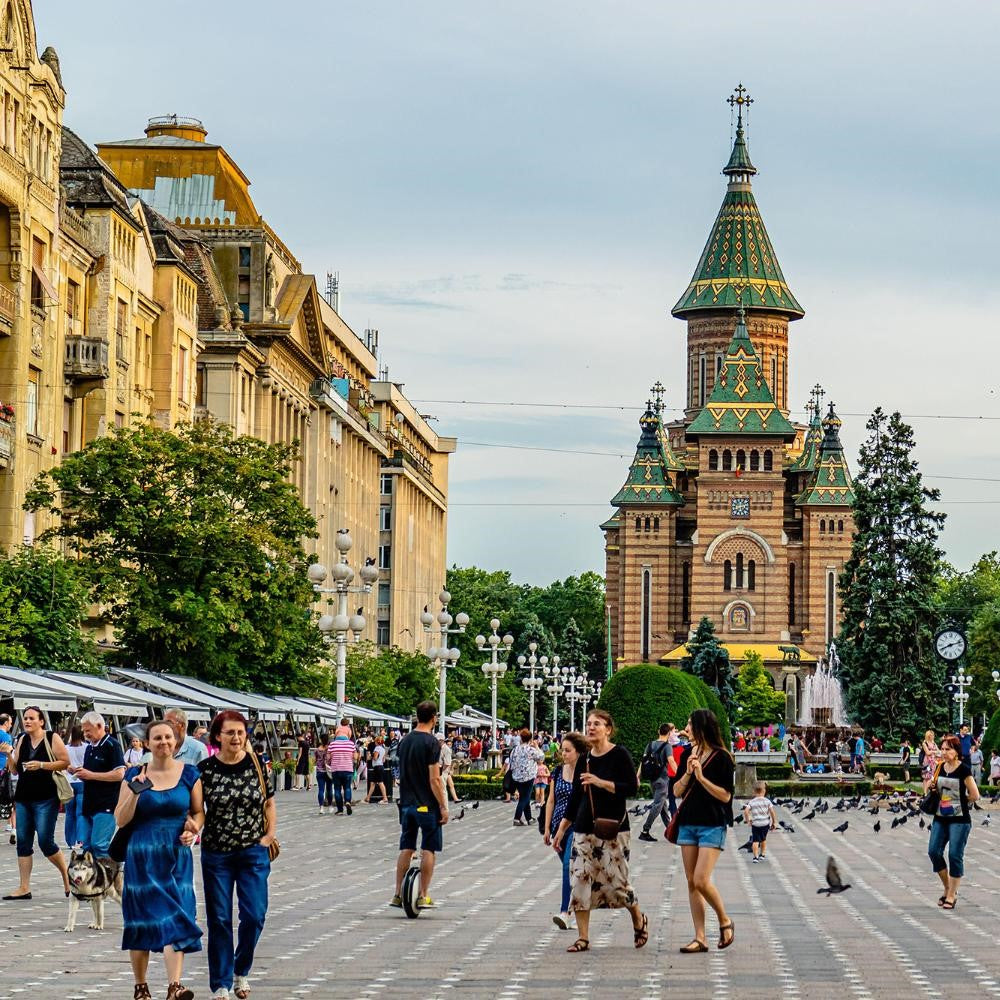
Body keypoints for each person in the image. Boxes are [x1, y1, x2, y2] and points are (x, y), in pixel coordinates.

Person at [114, 719, 203, 1000]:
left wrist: (194, 830)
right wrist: (136, 792)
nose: (163, 743)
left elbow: (198, 812)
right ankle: (141, 986)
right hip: (143, 853)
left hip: (177, 853)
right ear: (148, 744)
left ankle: (174, 986)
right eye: (157, 739)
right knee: (141, 919)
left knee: (177, 913)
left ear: (176, 742)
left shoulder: (190, 774)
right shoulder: (134, 776)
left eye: (168, 738)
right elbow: (120, 818)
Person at [553, 709, 648, 954]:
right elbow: (575, 796)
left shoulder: (619, 755)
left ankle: (638, 917)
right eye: (588, 723)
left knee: (618, 882)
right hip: (584, 828)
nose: (591, 727)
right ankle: (583, 938)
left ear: (608, 728)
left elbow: (632, 788)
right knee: (580, 881)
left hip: (613, 827)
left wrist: (601, 782)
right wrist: (562, 829)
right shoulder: (584, 758)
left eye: (597, 723)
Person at [196, 711, 277, 1000]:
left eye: (240, 732)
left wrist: (267, 837)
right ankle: (221, 983)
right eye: (229, 732)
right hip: (217, 853)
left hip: (252, 851)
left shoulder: (257, 765)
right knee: (219, 918)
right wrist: (192, 826)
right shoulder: (204, 769)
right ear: (217, 736)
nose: (236, 737)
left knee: (254, 915)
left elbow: (268, 803)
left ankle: (241, 968)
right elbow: (198, 809)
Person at [669, 708, 736, 954]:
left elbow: (725, 795)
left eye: (689, 725)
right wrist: (688, 772)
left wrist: (701, 777)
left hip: (712, 824)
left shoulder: (722, 757)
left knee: (701, 879)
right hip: (688, 822)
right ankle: (700, 937)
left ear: (701, 728)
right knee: (691, 882)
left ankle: (725, 920)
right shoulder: (687, 753)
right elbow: (676, 792)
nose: (685, 730)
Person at [4, 706, 71, 900]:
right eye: (25, 718)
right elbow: (15, 770)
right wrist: (9, 755)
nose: (27, 721)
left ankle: (67, 877)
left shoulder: (52, 738)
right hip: (24, 797)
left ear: (41, 721)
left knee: (45, 841)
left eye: (31, 718)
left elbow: (64, 761)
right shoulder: (22, 740)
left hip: (46, 797)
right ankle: (24, 887)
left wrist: (41, 765)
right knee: (23, 842)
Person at [391, 702, 447, 910]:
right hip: (426, 805)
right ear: (433, 717)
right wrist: (443, 805)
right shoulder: (432, 742)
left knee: (406, 847)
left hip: (406, 804)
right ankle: (423, 895)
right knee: (429, 848)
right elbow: (434, 779)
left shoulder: (404, 741)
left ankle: (397, 893)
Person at [927, 733, 980, 910]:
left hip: (960, 819)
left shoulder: (963, 769)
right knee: (934, 851)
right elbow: (931, 787)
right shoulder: (940, 767)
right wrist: (933, 787)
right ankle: (948, 888)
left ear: (956, 751)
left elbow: (975, 795)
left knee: (954, 855)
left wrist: (960, 801)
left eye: (947, 749)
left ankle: (950, 895)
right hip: (940, 816)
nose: (943, 752)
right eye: (942, 749)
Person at [544, 731, 587, 931]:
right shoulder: (558, 771)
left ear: (578, 752)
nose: (564, 754)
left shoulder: (584, 772)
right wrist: (547, 828)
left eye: (568, 751)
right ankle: (579, 905)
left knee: (566, 868)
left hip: (576, 825)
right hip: (557, 826)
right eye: (563, 750)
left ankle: (565, 912)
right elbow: (550, 800)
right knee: (572, 872)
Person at [74, 711, 126, 858]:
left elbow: (119, 774)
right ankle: (95, 879)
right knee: (87, 846)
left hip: (106, 804)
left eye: (88, 730)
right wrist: (81, 773)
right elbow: (91, 774)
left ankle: (110, 876)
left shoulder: (112, 745)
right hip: (89, 803)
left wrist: (90, 775)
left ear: (99, 726)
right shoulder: (89, 747)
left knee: (99, 844)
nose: (85, 734)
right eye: (84, 730)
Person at [637, 723, 674, 842]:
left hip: (652, 779)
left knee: (663, 806)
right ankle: (645, 830)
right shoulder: (667, 746)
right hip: (662, 779)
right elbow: (671, 761)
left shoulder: (650, 744)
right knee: (658, 805)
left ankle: (670, 831)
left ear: (659, 732)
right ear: (668, 733)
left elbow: (643, 762)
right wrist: (683, 774)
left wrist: (637, 777)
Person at [509, 728, 544, 826]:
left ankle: (529, 818)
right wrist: (537, 747)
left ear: (521, 738)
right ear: (530, 739)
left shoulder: (515, 749)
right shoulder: (530, 749)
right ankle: (517, 818)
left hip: (517, 776)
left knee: (525, 797)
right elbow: (541, 757)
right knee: (525, 797)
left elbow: (511, 762)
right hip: (528, 776)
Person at [64, 725, 87, 849]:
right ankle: (81, 839)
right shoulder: (87, 748)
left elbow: (62, 764)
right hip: (82, 782)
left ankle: (70, 841)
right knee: (81, 813)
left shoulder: (65, 748)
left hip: (68, 782)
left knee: (69, 813)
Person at [743, 781, 776, 863]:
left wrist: (748, 820)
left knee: (755, 841)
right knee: (763, 839)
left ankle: (755, 857)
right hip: (765, 823)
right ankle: (763, 854)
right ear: (764, 791)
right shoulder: (767, 801)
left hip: (756, 824)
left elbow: (746, 811)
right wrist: (774, 822)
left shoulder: (752, 802)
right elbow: (772, 812)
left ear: (754, 791)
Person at [314, 731, 333, 815]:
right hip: (328, 771)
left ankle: (321, 807)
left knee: (321, 789)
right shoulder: (330, 749)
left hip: (319, 771)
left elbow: (315, 760)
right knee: (329, 789)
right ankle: (330, 806)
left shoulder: (317, 750)